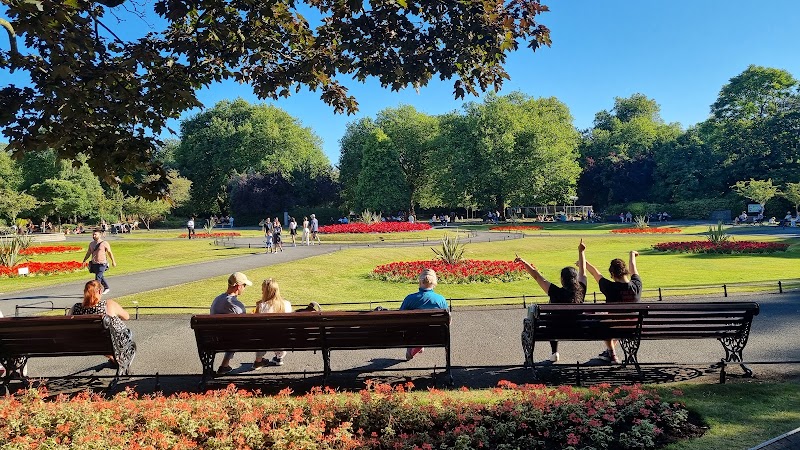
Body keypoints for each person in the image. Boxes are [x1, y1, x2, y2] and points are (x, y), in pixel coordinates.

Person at [516, 240, 587, 363]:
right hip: (579, 329)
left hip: (555, 329)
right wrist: (581, 252)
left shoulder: (555, 292)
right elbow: (583, 272)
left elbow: (537, 276)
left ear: (562, 279)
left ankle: (554, 352)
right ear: (575, 279)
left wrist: (523, 262)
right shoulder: (581, 290)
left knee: (551, 320)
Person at [585, 249, 642, 363]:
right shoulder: (637, 286)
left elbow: (595, 273)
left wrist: (584, 262)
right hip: (632, 327)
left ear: (612, 274)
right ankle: (609, 351)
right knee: (620, 322)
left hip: (613, 327)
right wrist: (632, 255)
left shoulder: (609, 287)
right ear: (626, 272)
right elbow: (634, 268)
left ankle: (612, 354)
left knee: (603, 322)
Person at [72, 280, 132, 367]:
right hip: (110, 343)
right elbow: (126, 316)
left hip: (84, 343)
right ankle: (118, 358)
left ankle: (113, 358)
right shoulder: (108, 304)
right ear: (100, 291)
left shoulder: (75, 308)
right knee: (126, 334)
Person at [399, 269, 449, 360]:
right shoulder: (441, 300)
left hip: (412, 335)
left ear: (420, 281)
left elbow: (399, 318)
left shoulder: (410, 299)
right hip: (436, 335)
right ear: (434, 283)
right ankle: (419, 344)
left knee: (414, 329)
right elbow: (448, 321)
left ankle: (416, 345)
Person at [210, 272, 253, 374]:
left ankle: (224, 365)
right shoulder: (236, 305)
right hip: (230, 339)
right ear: (238, 286)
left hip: (212, 339)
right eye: (244, 285)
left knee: (232, 332)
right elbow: (245, 324)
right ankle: (259, 360)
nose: (245, 288)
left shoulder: (217, 299)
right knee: (236, 333)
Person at [252, 279, 293, 368]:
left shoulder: (261, 305)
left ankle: (258, 360)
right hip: (284, 339)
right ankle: (279, 357)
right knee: (279, 333)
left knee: (262, 333)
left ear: (265, 292)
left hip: (265, 339)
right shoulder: (287, 304)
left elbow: (256, 324)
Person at [82, 229, 116, 295]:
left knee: (97, 278)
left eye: (95, 234)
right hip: (94, 263)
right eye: (93, 234)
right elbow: (88, 253)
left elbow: (109, 252)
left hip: (102, 263)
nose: (94, 236)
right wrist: (84, 260)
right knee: (100, 276)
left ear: (99, 235)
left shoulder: (104, 243)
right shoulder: (91, 244)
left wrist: (113, 261)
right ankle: (107, 287)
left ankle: (96, 293)